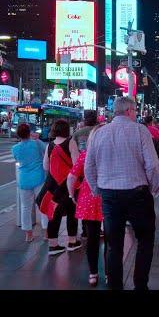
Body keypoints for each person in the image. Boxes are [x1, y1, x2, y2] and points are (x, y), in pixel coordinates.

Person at [85, 97, 159, 290]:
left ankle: (115, 286)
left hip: (109, 196)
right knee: (145, 239)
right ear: (129, 111)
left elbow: (89, 168)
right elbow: (153, 165)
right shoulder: (139, 130)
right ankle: (140, 285)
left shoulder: (99, 133)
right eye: (135, 110)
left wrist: (97, 189)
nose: (136, 114)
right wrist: (153, 188)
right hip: (138, 194)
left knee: (113, 244)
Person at [67, 123, 107, 287]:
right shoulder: (111, 154)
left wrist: (71, 194)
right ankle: (110, 273)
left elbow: (71, 177)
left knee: (92, 238)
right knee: (112, 239)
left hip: (89, 198)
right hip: (110, 197)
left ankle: (93, 273)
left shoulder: (86, 155)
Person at [42, 119, 82, 256]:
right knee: (72, 212)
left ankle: (53, 245)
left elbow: (45, 167)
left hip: (54, 186)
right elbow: (77, 165)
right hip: (69, 185)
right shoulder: (70, 143)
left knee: (54, 214)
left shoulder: (50, 145)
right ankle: (72, 241)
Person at [12, 123, 49, 242]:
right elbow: (47, 150)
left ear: (18, 135)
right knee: (43, 206)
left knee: (25, 207)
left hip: (23, 180)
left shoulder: (15, 148)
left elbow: (17, 159)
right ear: (29, 132)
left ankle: (28, 234)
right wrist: (36, 138)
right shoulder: (37, 143)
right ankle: (46, 232)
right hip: (39, 178)